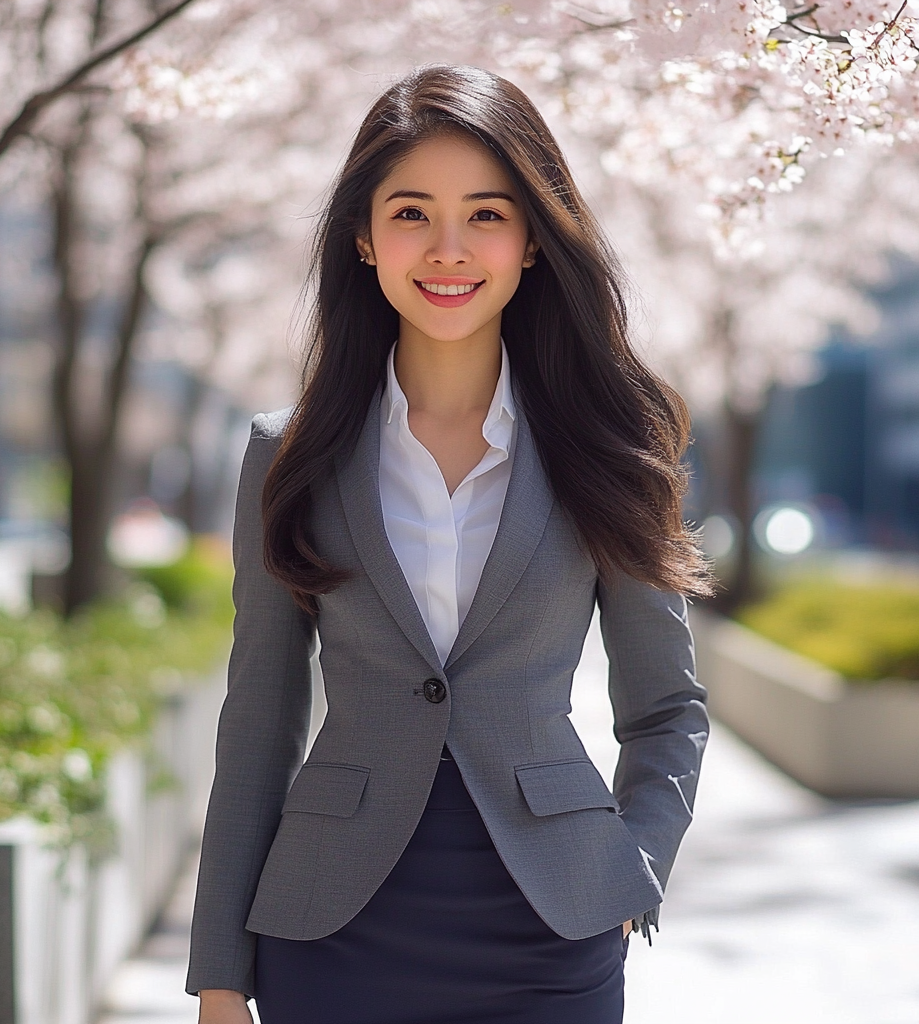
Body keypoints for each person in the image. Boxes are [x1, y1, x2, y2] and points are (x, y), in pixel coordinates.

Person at [187, 63, 711, 1024]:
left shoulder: (610, 444)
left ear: (534, 242)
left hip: (551, 925)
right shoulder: (287, 453)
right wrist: (220, 968)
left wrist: (633, 866)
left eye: (486, 214)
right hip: (333, 920)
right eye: (412, 213)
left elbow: (667, 707)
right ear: (362, 236)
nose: (448, 248)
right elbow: (258, 712)